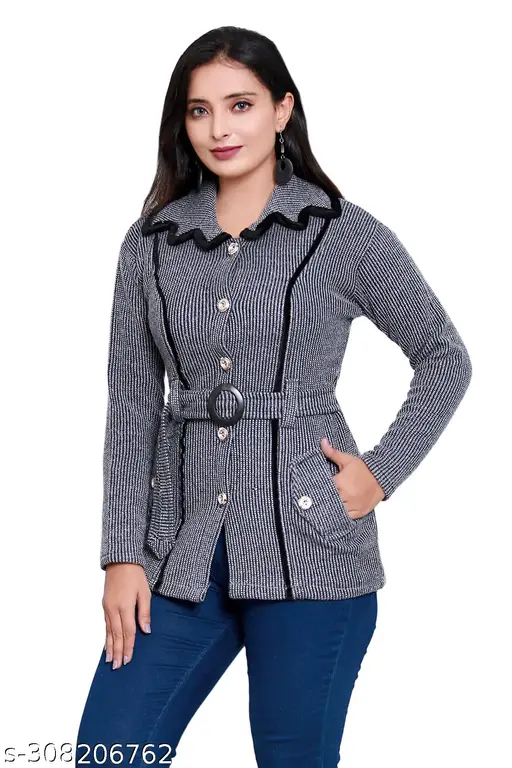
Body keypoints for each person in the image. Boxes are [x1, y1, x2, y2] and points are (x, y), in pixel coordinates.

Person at [75, 25, 472, 767]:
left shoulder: (343, 233)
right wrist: (121, 554)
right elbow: (130, 406)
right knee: (108, 752)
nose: (219, 129)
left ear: (282, 110)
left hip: (312, 552)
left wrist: (381, 473)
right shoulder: (150, 245)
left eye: (241, 105)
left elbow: (445, 359)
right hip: (180, 554)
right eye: (199, 110)